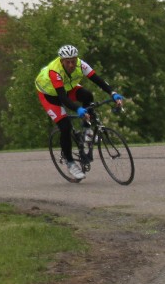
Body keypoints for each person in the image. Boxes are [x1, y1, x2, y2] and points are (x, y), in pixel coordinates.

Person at [35, 44, 124, 181]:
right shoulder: (54, 71)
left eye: (73, 61)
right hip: (49, 95)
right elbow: (63, 98)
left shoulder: (81, 65)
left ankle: (87, 131)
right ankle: (70, 162)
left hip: (66, 87)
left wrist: (112, 93)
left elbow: (97, 79)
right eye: (68, 62)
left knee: (87, 96)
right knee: (65, 126)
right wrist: (78, 109)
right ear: (62, 61)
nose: (71, 65)